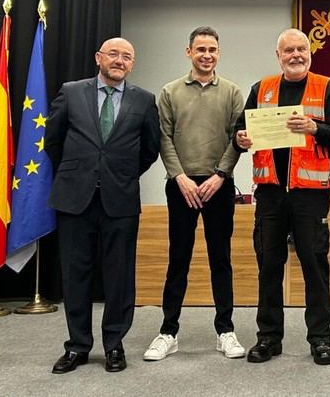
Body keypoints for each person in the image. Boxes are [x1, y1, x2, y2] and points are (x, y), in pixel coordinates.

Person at [45, 37, 160, 373]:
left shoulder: (144, 100)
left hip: (120, 199)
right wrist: (79, 171)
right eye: (113, 54)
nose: (119, 60)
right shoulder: (71, 91)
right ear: (99, 58)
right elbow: (53, 141)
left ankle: (114, 345)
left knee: (119, 276)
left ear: (132, 64)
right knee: (75, 274)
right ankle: (78, 346)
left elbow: (149, 150)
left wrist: (118, 174)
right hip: (74, 198)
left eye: (127, 56)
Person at [234, 28, 330, 365]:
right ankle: (268, 338)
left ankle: (320, 339)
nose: (296, 55)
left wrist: (315, 129)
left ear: (309, 53)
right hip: (269, 194)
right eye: (288, 50)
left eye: (301, 49)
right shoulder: (261, 89)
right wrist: (240, 139)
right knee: (268, 264)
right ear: (278, 55)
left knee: (314, 264)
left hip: (309, 194)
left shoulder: (325, 87)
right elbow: (240, 131)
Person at [143, 27, 246, 361]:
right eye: (200, 49)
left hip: (219, 185)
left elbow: (238, 138)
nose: (207, 55)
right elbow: (164, 138)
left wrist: (221, 175)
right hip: (182, 187)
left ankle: (226, 331)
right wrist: (180, 178)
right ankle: (168, 332)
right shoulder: (170, 91)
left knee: (221, 259)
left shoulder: (231, 92)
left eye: (212, 49)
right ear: (188, 52)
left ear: (219, 53)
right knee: (179, 259)